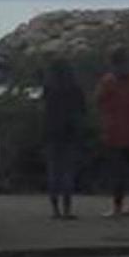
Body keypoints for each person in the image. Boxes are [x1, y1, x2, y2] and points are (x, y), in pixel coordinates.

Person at [96, 46, 129, 217]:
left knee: (117, 172)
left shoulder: (108, 81)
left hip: (113, 130)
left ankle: (117, 207)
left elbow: (100, 101)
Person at [43, 59, 86, 219]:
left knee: (54, 171)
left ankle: (55, 210)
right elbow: (82, 110)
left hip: (52, 132)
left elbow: (46, 110)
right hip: (70, 132)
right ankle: (67, 209)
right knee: (68, 171)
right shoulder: (75, 88)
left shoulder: (49, 88)